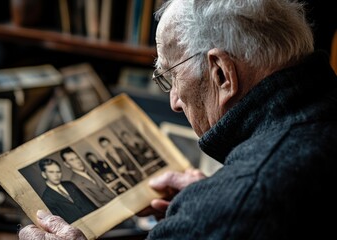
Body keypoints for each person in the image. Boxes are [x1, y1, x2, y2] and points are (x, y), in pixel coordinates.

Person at [19, 0, 337, 239]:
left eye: (170, 75)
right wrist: (215, 195)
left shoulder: (237, 202)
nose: (173, 101)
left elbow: (251, 201)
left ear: (222, 73)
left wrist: (213, 207)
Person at [37, 158, 97, 224]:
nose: (56, 175)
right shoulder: (46, 198)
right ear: (44, 174)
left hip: (94, 218)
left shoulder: (69, 184)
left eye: (58, 171)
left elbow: (87, 201)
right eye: (51, 172)